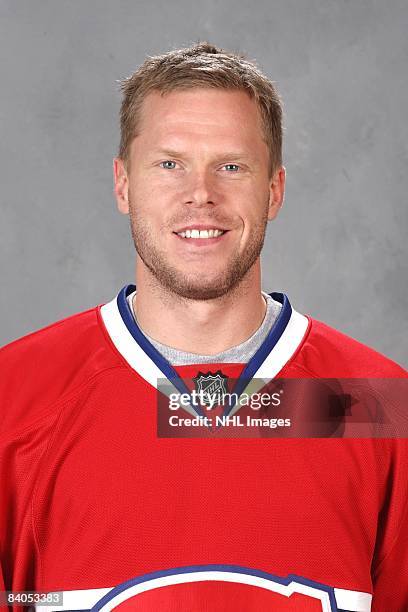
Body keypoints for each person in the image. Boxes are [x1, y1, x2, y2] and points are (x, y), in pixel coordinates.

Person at [0, 41, 407, 612]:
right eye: (170, 164)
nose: (201, 195)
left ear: (274, 192)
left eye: (231, 166)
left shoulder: (374, 404)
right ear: (123, 185)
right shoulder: (13, 398)